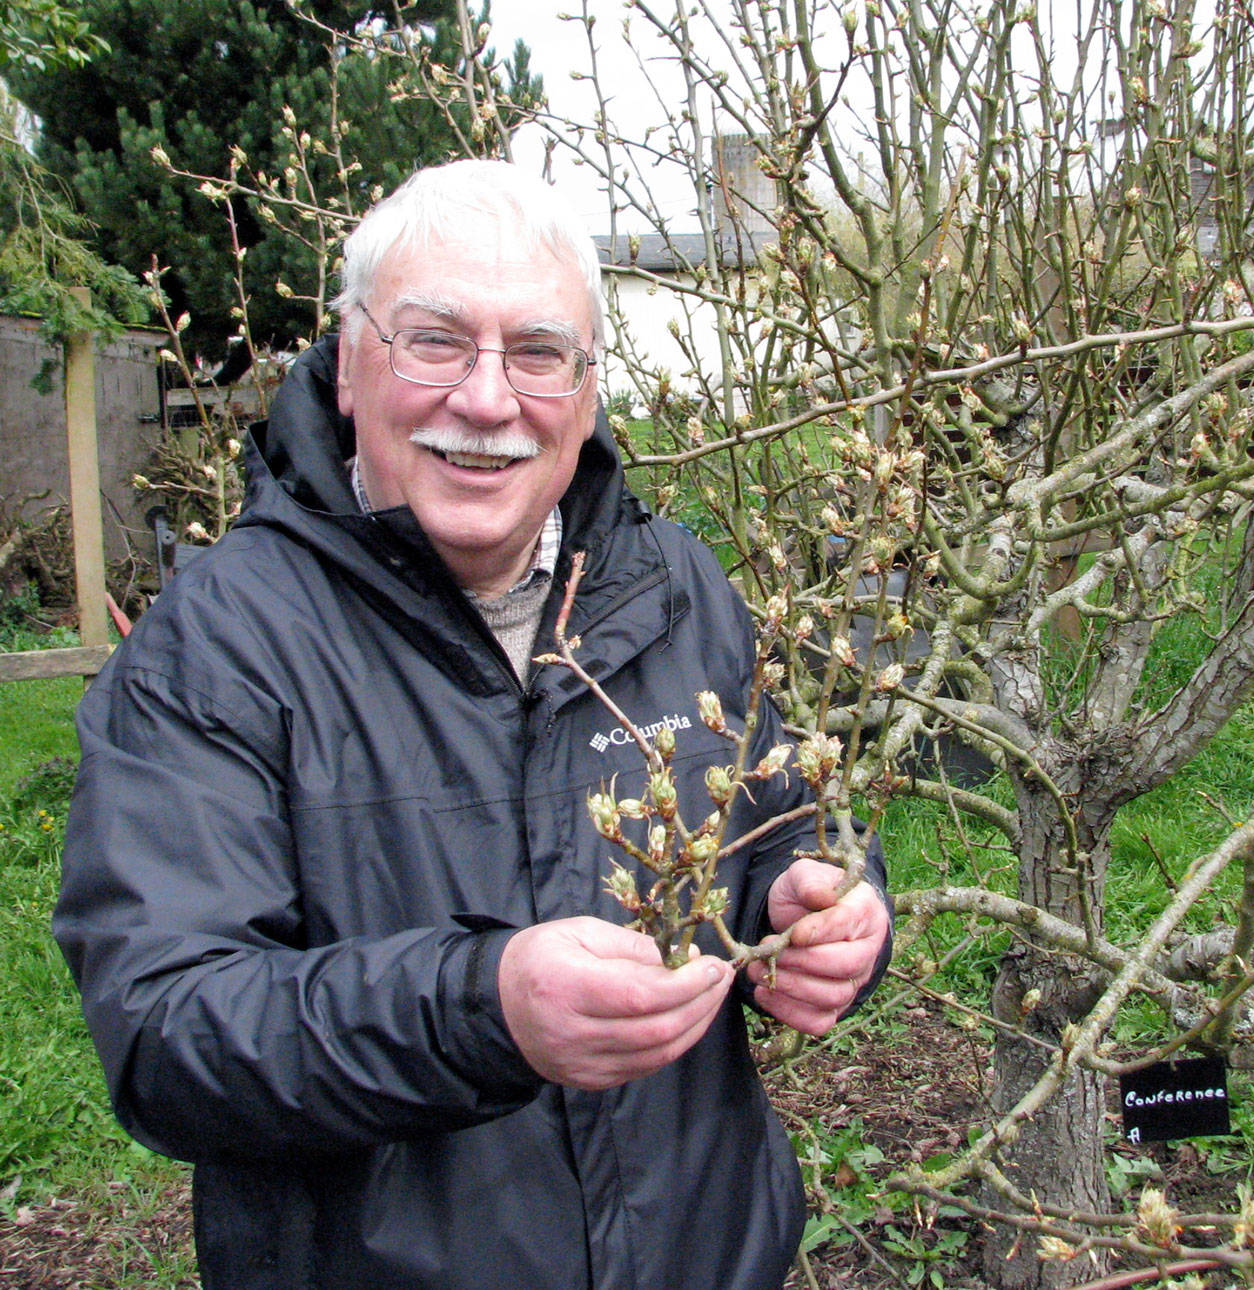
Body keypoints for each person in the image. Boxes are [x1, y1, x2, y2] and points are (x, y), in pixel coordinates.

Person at [55, 159, 892, 1290]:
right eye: (435, 341)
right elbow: (165, 1036)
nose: (488, 401)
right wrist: (477, 1010)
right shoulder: (219, 647)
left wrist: (832, 905)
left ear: (586, 393)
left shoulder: (676, 588)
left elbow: (792, 816)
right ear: (351, 363)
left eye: (537, 353)